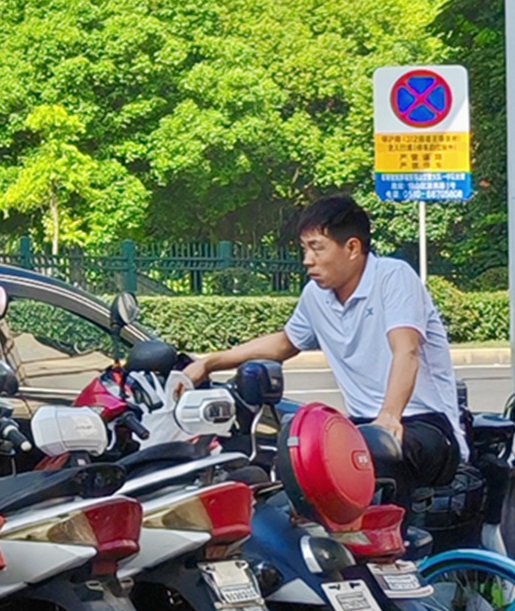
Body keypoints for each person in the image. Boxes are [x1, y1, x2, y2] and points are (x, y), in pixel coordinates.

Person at [182, 193, 464, 485]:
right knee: (292, 454)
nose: (307, 260)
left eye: (317, 248)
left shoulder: (393, 277)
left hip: (424, 424)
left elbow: (406, 351)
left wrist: (389, 417)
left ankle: (393, 532)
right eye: (304, 249)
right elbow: (284, 343)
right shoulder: (315, 296)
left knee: (371, 456)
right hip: (363, 426)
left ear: (352, 247)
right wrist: (209, 363)